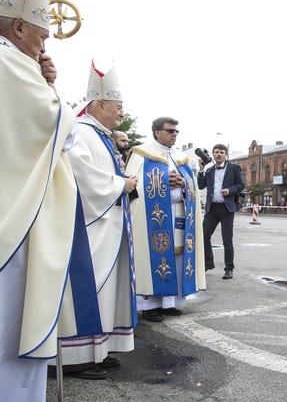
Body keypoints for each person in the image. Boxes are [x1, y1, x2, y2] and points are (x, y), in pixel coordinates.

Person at [0, 0, 90, 398]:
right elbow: (59, 130)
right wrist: (50, 88)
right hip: (12, 227)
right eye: (39, 31)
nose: (46, 40)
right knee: (9, 338)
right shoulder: (9, 64)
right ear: (17, 28)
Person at [47, 62, 139, 380]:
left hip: (104, 229)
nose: (120, 115)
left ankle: (97, 350)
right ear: (99, 104)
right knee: (88, 291)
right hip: (86, 232)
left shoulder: (97, 133)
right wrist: (120, 185)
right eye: (117, 107)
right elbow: (81, 177)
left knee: (104, 292)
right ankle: (76, 358)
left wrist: (119, 180)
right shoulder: (81, 131)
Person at [125, 117, 206, 322]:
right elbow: (132, 185)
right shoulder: (141, 153)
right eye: (170, 131)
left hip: (178, 215)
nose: (174, 135)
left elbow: (193, 188)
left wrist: (184, 184)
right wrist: (162, 181)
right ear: (156, 132)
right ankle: (150, 305)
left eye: (176, 132)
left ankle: (169, 303)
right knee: (151, 260)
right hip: (151, 219)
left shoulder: (181, 158)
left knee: (176, 259)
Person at [197, 143, 245, 279]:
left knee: (227, 239)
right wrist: (201, 170)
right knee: (204, 236)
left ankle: (229, 268)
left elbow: (241, 185)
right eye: (216, 152)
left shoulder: (234, 168)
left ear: (226, 155)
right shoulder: (209, 170)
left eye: (222, 152)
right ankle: (208, 263)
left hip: (226, 208)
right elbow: (201, 186)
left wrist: (230, 191)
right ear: (213, 154)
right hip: (212, 208)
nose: (219, 154)